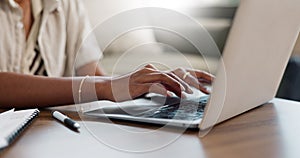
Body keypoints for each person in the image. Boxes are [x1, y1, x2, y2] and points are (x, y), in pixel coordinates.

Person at [0, 0, 214, 108]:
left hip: (46, 130)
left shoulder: (66, 4)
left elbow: (93, 73)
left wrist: (154, 82)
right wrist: (104, 86)